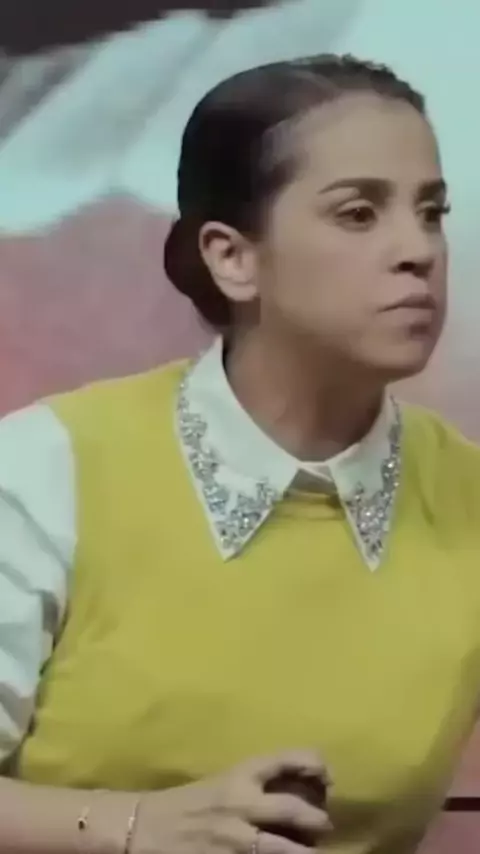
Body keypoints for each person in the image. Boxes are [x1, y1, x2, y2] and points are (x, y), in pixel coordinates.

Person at [0, 53, 480, 854]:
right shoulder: (49, 470)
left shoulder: (469, 498)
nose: (419, 250)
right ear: (232, 258)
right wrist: (133, 825)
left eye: (431, 212)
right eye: (359, 213)